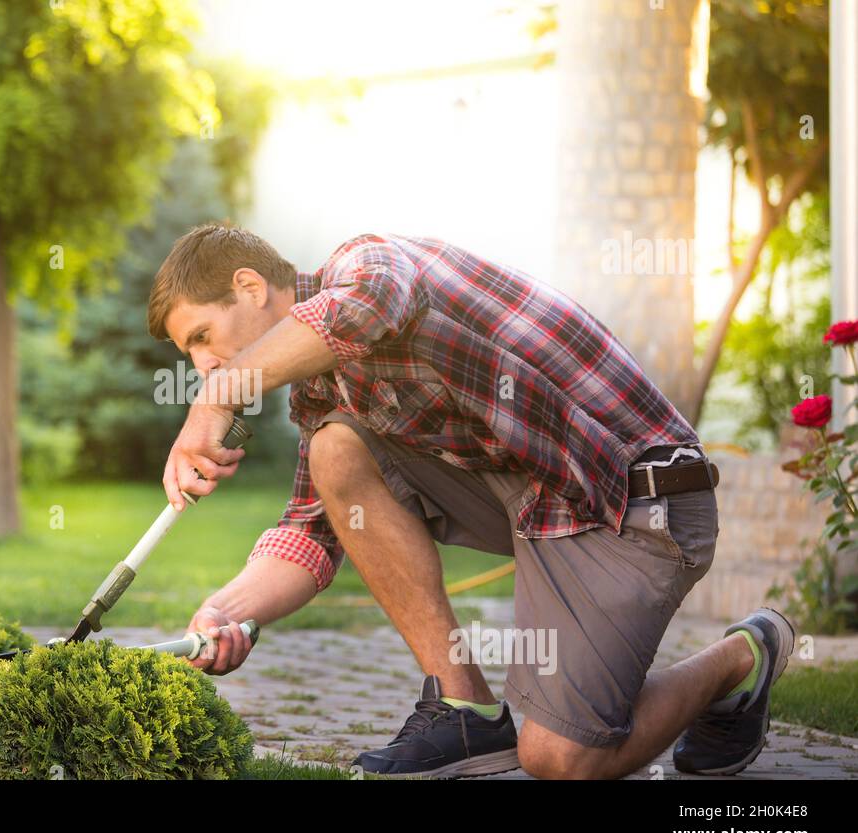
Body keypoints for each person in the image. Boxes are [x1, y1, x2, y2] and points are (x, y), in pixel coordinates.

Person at [147, 223, 794, 780]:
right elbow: (313, 531)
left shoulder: (366, 262)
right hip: (540, 503)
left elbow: (368, 307)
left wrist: (220, 393)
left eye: (203, 336)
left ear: (250, 288)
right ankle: (468, 710)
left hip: (635, 500)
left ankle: (744, 654)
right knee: (335, 451)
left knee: (560, 760)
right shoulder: (319, 393)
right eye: (194, 355)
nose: (204, 364)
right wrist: (224, 612)